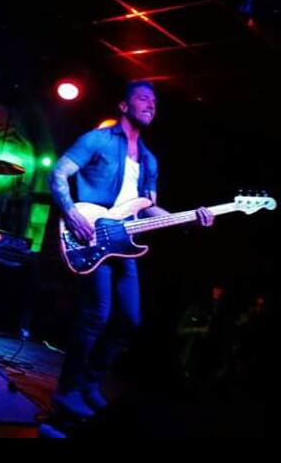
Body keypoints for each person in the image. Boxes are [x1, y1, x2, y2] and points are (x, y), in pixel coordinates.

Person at [47, 80, 215, 419]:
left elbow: (149, 208)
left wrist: (189, 220)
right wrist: (71, 212)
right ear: (123, 106)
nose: (151, 104)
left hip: (123, 242)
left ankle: (91, 385)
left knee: (129, 319)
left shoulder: (150, 160)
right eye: (143, 98)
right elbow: (58, 173)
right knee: (97, 314)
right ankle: (68, 390)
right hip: (92, 233)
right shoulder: (98, 140)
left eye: (154, 101)